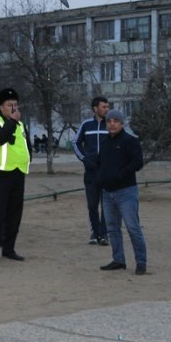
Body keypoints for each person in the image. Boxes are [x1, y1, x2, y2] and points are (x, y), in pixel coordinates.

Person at [0, 88, 32, 265]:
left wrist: (28, 159)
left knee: (14, 214)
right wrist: (11, 122)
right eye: (10, 105)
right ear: (1, 107)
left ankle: (9, 249)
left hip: (18, 173)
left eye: (16, 105)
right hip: (0, 174)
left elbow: (26, 145)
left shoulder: (20, 125)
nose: (14, 108)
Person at [96, 109, 148, 275]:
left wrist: (121, 174)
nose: (112, 124)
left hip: (126, 192)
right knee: (112, 228)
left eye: (115, 121)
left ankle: (141, 262)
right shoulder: (104, 142)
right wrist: (100, 179)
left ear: (122, 123)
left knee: (132, 227)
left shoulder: (130, 141)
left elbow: (138, 162)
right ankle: (118, 259)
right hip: (107, 193)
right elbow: (101, 164)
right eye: (109, 121)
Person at [72, 96, 110, 246]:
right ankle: (94, 232)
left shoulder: (111, 124)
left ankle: (104, 234)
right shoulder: (86, 125)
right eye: (104, 107)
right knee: (92, 205)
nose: (107, 109)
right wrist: (85, 159)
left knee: (106, 205)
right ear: (95, 108)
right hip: (91, 173)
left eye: (107, 107)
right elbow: (75, 142)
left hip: (107, 172)